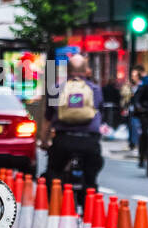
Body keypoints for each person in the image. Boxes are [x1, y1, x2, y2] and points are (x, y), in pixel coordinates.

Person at [41, 52, 104, 192]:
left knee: (54, 172)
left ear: (67, 71)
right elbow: (100, 114)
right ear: (86, 71)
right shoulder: (95, 89)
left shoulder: (56, 89)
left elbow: (48, 118)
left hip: (63, 140)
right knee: (91, 176)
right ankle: (89, 197)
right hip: (89, 142)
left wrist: (44, 141)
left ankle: (55, 203)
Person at [124, 67, 144, 151]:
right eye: (132, 75)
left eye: (134, 75)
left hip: (139, 110)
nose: (133, 77)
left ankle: (137, 143)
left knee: (136, 126)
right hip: (131, 109)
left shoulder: (142, 86)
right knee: (131, 126)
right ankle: (132, 143)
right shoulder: (131, 86)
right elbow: (127, 98)